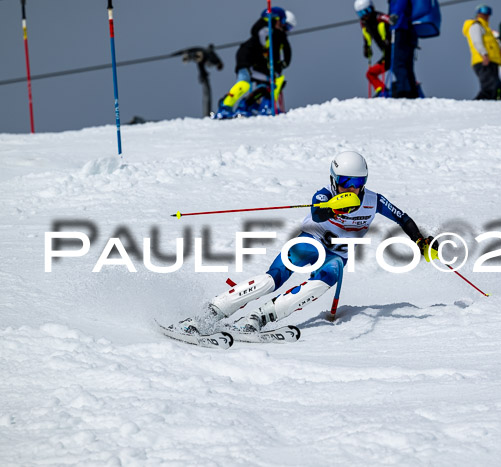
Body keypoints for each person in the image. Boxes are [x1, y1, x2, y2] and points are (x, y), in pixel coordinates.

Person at [173, 151, 439, 337]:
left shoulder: (374, 201)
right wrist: (331, 209)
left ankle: (260, 318)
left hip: (337, 254)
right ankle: (211, 312)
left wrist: (420, 241)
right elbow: (317, 213)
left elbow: (402, 217)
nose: (351, 188)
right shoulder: (324, 194)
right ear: (335, 179)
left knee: (326, 278)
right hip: (309, 241)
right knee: (272, 280)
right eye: (345, 182)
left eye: (357, 183)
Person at [213, 7, 295, 119]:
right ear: (275, 20)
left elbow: (281, 52)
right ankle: (225, 107)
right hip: (247, 59)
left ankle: (249, 104)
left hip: (254, 63)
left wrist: (278, 64)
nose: (283, 28)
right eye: (282, 23)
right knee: (244, 84)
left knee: (269, 83)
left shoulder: (275, 35)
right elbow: (263, 37)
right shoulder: (265, 30)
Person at [463, 4, 501, 100]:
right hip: (483, 61)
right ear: (478, 13)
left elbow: (494, 44)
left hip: (493, 61)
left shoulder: (488, 30)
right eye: (483, 12)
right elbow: (476, 41)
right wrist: (484, 54)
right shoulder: (476, 26)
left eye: (488, 12)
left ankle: (489, 109)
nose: (486, 15)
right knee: (489, 87)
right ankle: (476, 107)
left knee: (495, 87)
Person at [354, 0, 392, 97]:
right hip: (386, 57)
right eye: (361, 13)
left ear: (372, 8)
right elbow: (366, 36)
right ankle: (382, 91)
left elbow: (387, 18)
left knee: (400, 71)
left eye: (367, 11)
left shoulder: (378, 17)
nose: (365, 15)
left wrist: (392, 19)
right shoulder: (364, 23)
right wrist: (367, 47)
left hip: (394, 52)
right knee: (370, 74)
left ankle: (412, 89)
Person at [388, 0, 420, 98]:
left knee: (399, 63)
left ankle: (404, 93)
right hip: (409, 29)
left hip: (401, 28)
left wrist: (394, 18)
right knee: (407, 64)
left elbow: (399, 6)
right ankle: (412, 92)